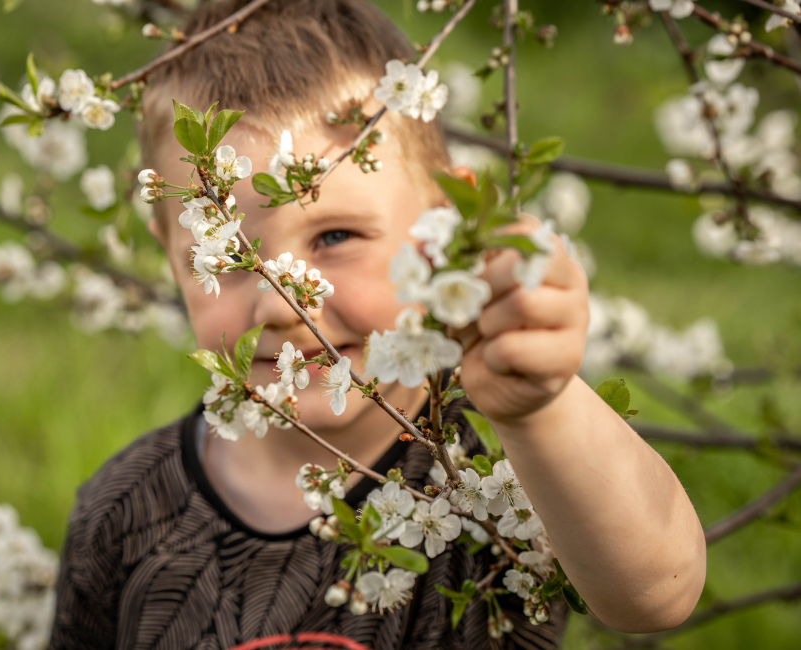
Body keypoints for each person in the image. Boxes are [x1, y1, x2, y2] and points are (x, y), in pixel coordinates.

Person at [47, 1, 707, 648]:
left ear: (445, 221)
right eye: (226, 257)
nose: (280, 304)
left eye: (334, 235)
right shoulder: (125, 509)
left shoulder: (496, 471)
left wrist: (539, 409)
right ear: (171, 254)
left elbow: (657, 593)